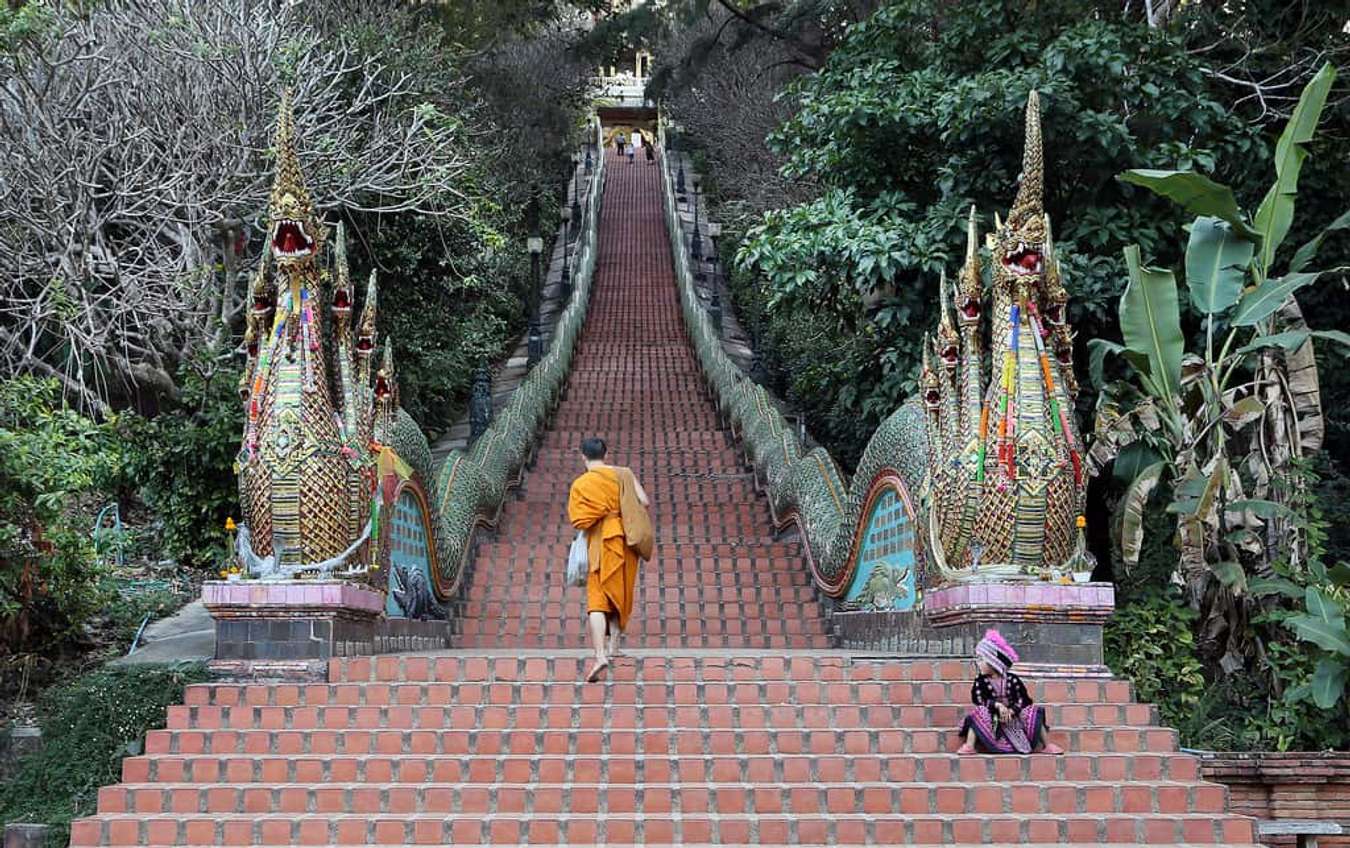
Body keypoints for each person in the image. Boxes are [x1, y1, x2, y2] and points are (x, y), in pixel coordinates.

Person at [567, 437, 652, 682]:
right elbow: (644, 502)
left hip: (601, 541)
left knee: (597, 599)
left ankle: (601, 654)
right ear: (607, 453)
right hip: (625, 538)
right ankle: (614, 645)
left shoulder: (581, 484)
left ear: (583, 456)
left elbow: (579, 520)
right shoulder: (623, 474)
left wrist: (600, 512)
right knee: (620, 589)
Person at [957, 629, 1063, 755]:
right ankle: (970, 745)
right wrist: (997, 706)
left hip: (1013, 719)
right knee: (979, 712)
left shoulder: (1012, 680)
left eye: (981, 659)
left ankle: (1047, 744)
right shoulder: (980, 681)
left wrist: (1011, 711)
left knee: (1032, 711)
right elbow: (979, 700)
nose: (977, 663)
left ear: (993, 663)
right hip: (993, 721)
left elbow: (1022, 700)